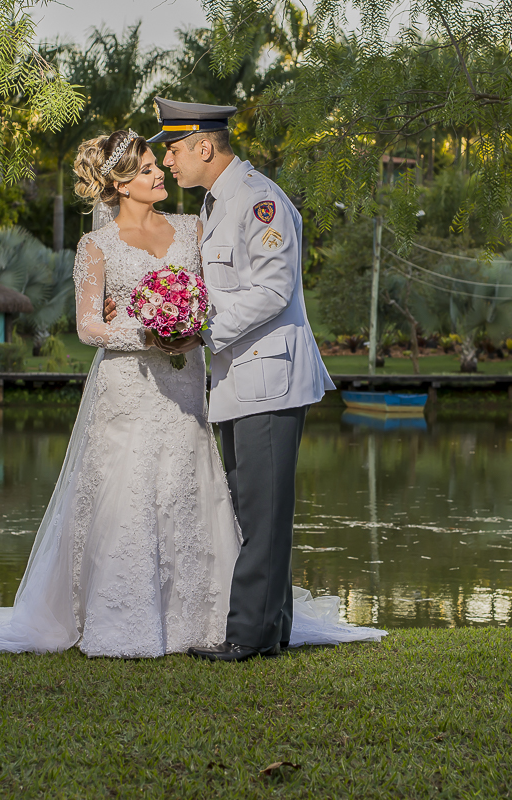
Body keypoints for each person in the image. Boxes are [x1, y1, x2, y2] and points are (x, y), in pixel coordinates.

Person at [0, 128, 382, 660]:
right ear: (120, 185)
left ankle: (221, 620)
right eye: (148, 168)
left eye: (161, 161)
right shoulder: (96, 245)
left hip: (189, 383)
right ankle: (133, 616)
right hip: (127, 385)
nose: (160, 171)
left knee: (198, 493)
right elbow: (87, 327)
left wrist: (189, 327)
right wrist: (147, 333)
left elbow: (234, 286)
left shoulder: (195, 228)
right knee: (129, 496)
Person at [149, 98, 339, 662]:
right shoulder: (219, 201)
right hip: (241, 379)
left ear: (204, 146)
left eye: (175, 149)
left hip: (269, 380)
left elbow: (272, 290)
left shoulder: (258, 201)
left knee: (262, 513)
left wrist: (198, 326)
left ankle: (246, 637)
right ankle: (272, 629)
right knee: (258, 510)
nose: (170, 163)